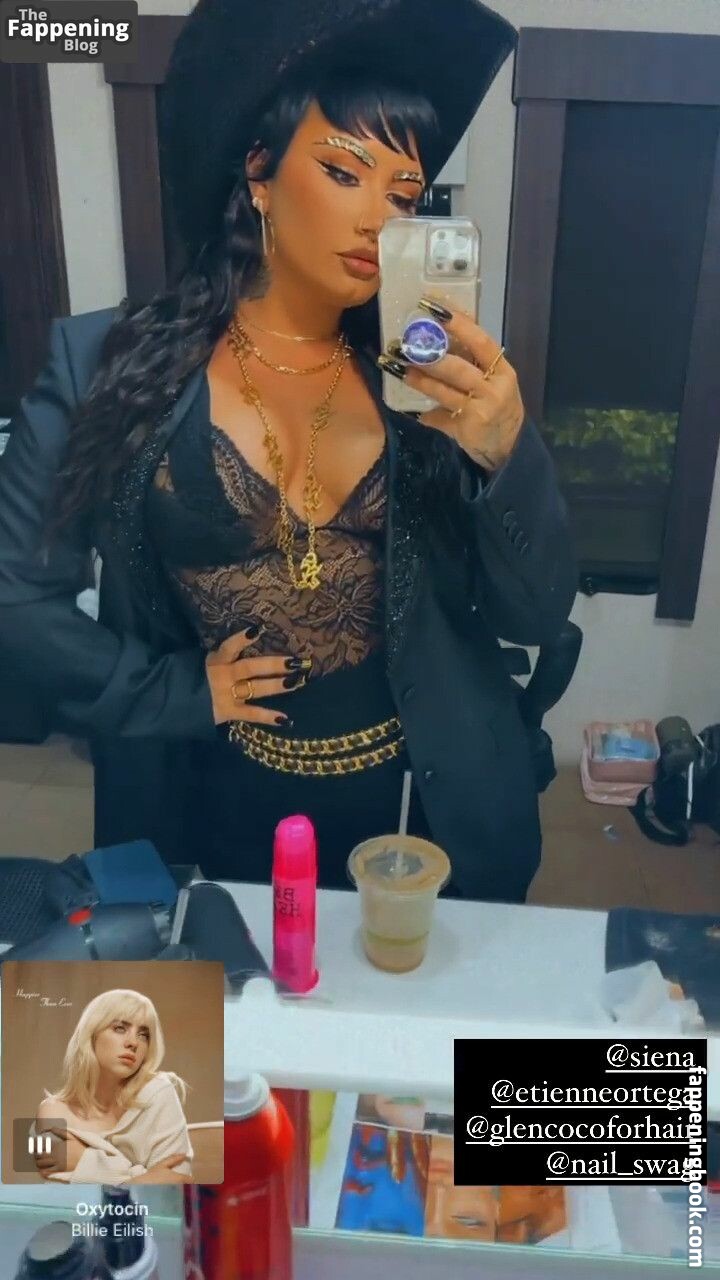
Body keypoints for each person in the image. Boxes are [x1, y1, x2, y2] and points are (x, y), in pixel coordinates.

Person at [0, 0, 577, 902]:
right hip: (205, 802)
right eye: (345, 171)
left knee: (421, 995)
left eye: (404, 195)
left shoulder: (427, 379)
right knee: (228, 991)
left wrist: (507, 456)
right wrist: (170, 692)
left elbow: (536, 613)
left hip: (424, 809)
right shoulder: (107, 363)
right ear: (260, 174)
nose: (379, 219)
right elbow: (17, 594)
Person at [33, 989, 192, 1185]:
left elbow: (177, 1181)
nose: (133, 1043)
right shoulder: (52, 1111)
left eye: (143, 1035)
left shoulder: (159, 1092)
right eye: (119, 1028)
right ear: (91, 1034)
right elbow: (61, 1194)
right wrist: (142, 1178)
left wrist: (86, 1162)